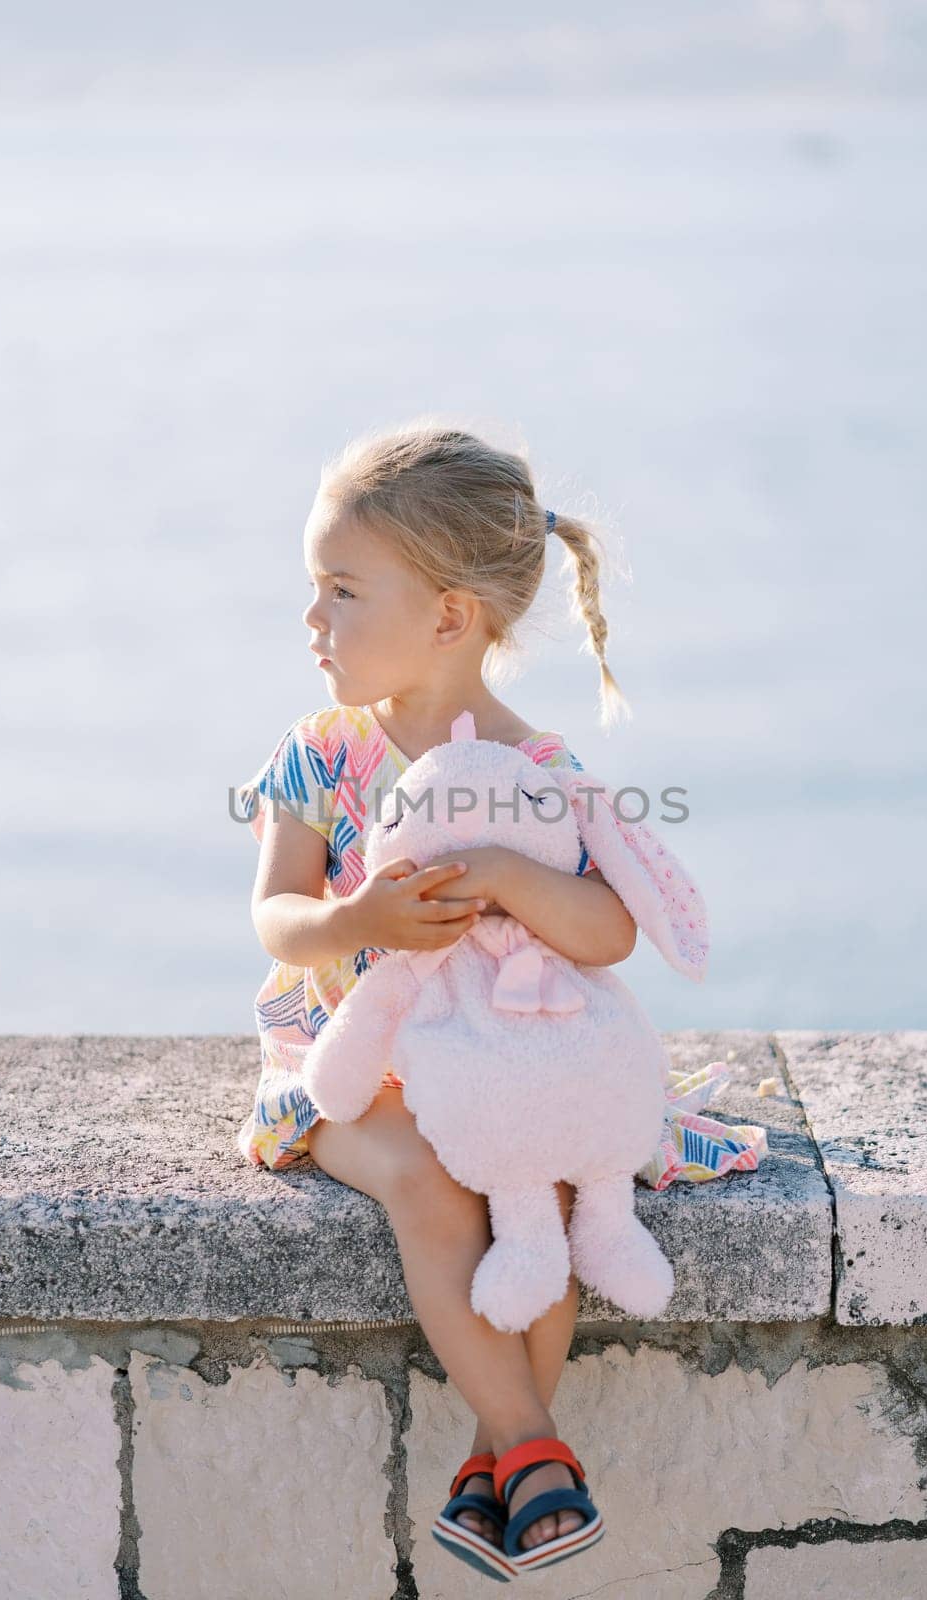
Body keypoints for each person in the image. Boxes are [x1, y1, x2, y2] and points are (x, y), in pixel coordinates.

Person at [234, 419, 728, 1578]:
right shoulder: (317, 752)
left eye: (343, 591)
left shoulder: (539, 777)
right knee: (422, 1171)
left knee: (542, 1182)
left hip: (506, 1053)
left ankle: (487, 1467)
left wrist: (510, 876)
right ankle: (528, 1443)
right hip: (352, 1053)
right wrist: (356, 922)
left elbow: (610, 929)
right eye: (316, 588)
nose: (313, 620)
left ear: (450, 615)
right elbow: (276, 918)